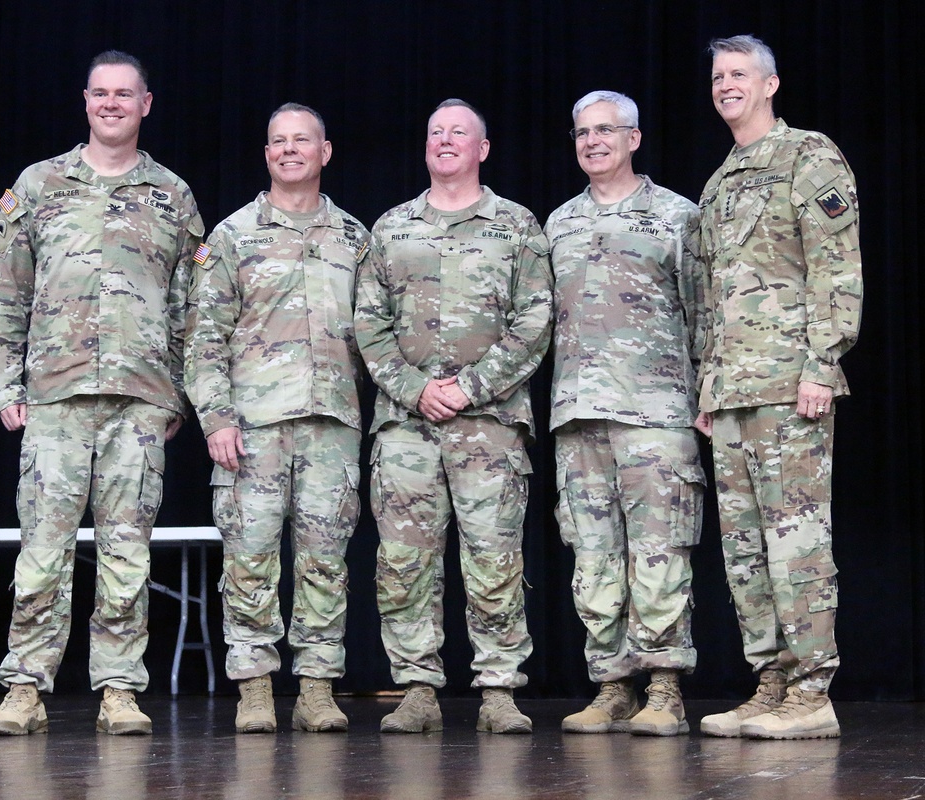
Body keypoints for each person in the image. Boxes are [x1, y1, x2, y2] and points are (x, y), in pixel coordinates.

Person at [0, 50, 204, 735]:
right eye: (100, 93)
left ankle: (118, 691)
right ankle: (25, 688)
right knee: (42, 548)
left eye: (124, 94)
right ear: (85, 101)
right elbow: (5, 293)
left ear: (146, 104)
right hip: (53, 397)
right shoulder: (40, 185)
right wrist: (0, 384)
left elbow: (191, 311)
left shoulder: (173, 194)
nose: (111, 103)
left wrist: (181, 396)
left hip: (139, 401)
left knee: (127, 551)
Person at [354, 99, 553, 734]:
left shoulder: (516, 226)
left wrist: (468, 389)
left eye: (458, 133)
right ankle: (415, 685)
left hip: (489, 426)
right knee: (404, 561)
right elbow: (368, 323)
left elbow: (535, 321)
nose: (445, 141)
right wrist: (415, 389)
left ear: (482, 149)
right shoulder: (391, 228)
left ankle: (498, 689)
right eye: (435, 132)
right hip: (406, 425)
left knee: (494, 557)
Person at [694, 35, 862, 739]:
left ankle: (813, 690)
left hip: (789, 386)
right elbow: (709, 296)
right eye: (717, 76)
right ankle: (771, 680)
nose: (726, 85)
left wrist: (823, 366)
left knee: (796, 542)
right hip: (731, 392)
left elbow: (837, 265)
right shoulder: (718, 181)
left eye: (739, 74)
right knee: (745, 549)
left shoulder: (807, 155)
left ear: (770, 84)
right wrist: (707, 384)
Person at [185, 103, 369, 734]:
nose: (290, 150)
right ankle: (256, 688)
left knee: (325, 561)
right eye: (278, 142)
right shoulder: (233, 236)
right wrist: (215, 419)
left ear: (325, 152)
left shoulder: (354, 238)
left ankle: (317, 688)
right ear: (267, 155)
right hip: (253, 427)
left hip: (332, 426)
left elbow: (377, 338)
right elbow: (203, 338)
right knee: (250, 558)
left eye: (302, 141)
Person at [546, 91, 707, 737]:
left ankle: (665, 689)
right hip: (577, 415)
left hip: (657, 413)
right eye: (582, 131)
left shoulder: (677, 216)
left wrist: (707, 397)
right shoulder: (555, 224)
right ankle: (612, 685)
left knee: (660, 550)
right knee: (593, 556)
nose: (593, 141)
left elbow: (705, 312)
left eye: (606, 130)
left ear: (634, 138)